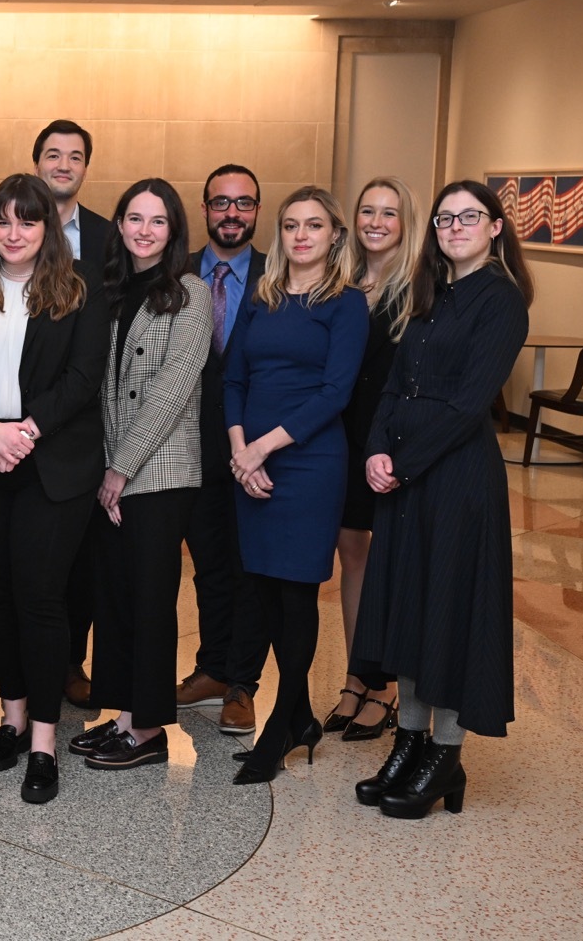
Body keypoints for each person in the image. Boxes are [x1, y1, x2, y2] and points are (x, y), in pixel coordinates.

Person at [351, 180, 533, 819]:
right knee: (410, 608)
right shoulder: (429, 294)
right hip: (406, 475)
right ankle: (409, 741)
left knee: (449, 613)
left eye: (469, 217)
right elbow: (395, 384)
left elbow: (466, 404)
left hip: (456, 481)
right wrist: (375, 448)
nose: (454, 226)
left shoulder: (502, 302)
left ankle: (446, 756)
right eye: (444, 217)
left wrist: (399, 461)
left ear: (495, 229)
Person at [0, 173, 109, 803]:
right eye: (3, 221)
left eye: (28, 222)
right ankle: (10, 717)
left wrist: (22, 435)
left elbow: (84, 377)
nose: (14, 234)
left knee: (39, 596)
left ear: (46, 228)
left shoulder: (80, 288)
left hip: (51, 463)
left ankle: (42, 739)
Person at [225, 186, 368, 785]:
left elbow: (336, 393)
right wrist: (239, 450)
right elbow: (232, 377)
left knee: (296, 594)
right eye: (290, 225)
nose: (301, 235)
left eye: (314, 225)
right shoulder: (261, 297)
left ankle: (283, 720)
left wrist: (261, 447)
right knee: (260, 589)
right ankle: (303, 717)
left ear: (335, 235)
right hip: (248, 464)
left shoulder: (347, 304)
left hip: (309, 464)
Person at [72, 178, 210, 771]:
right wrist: (105, 467)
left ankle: (149, 729)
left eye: (157, 221)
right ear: (120, 225)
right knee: (118, 598)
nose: (144, 230)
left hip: (160, 473)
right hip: (110, 471)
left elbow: (173, 390)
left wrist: (121, 470)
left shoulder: (190, 293)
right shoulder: (108, 291)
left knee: (151, 600)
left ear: (174, 230)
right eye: (134, 218)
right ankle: (125, 715)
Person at [325, 177, 426, 740]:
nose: (377, 222)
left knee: (389, 560)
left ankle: (384, 686)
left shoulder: (420, 287)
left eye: (390, 212)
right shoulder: (340, 283)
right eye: (368, 211)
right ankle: (355, 675)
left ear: (405, 222)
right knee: (352, 553)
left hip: (392, 440)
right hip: (341, 435)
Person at [177, 164, 268, 736]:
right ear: (205, 208)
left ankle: (242, 683)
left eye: (244, 203)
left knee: (251, 568)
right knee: (208, 564)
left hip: (258, 448)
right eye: (220, 203)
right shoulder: (176, 273)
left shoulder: (281, 277)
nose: (232, 213)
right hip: (189, 446)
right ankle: (211, 667)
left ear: (257, 210)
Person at [31, 118, 113, 705]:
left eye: (75, 156)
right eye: (54, 155)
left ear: (86, 167)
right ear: (37, 163)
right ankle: (37, 666)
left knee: (83, 559)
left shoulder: (110, 238)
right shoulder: (14, 230)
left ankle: (70, 664)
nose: (64, 165)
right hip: (22, 425)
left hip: (86, 421)